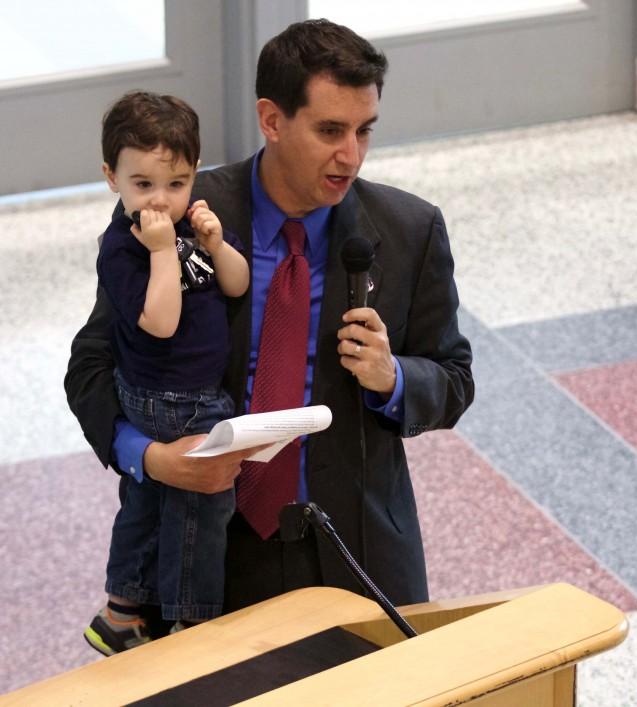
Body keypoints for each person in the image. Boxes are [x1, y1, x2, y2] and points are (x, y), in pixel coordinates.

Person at [65, 19, 474, 645]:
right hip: (211, 551)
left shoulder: (409, 229)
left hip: (356, 552)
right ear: (272, 119)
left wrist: (394, 378)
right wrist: (151, 460)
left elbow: (452, 379)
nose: (352, 155)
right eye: (330, 131)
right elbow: (90, 366)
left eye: (364, 131)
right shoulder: (175, 205)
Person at [81, 91, 250, 655]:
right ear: (112, 178)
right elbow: (160, 320)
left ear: (194, 174)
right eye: (143, 184)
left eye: (176, 184)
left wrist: (215, 243)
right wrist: (161, 252)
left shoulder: (184, 231)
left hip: (189, 389)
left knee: (152, 500)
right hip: (171, 397)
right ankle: (191, 620)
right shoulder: (124, 248)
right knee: (202, 501)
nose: (160, 200)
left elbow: (235, 283)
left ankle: (123, 611)